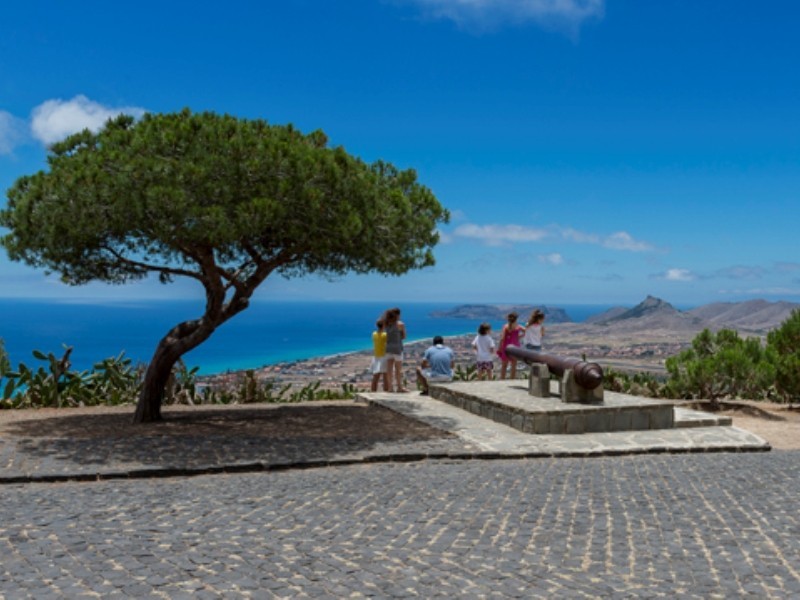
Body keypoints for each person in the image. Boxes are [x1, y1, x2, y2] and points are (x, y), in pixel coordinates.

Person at [383, 307, 408, 392]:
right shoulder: (400, 324)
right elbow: (404, 336)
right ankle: (399, 387)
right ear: (397, 315)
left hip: (388, 348)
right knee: (398, 369)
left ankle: (390, 388)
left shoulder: (386, 324)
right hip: (397, 348)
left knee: (389, 369)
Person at [497, 312, 524, 380]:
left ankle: (502, 380)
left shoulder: (505, 326)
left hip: (506, 347)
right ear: (516, 319)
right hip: (515, 347)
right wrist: (519, 337)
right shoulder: (519, 327)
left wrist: (499, 347)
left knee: (504, 365)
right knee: (514, 365)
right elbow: (526, 331)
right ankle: (512, 380)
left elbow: (502, 338)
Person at [370, 319, 389, 392]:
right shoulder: (385, 335)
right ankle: (386, 391)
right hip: (384, 355)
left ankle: (373, 391)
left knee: (375, 376)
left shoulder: (374, 334)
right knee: (385, 376)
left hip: (376, 356)